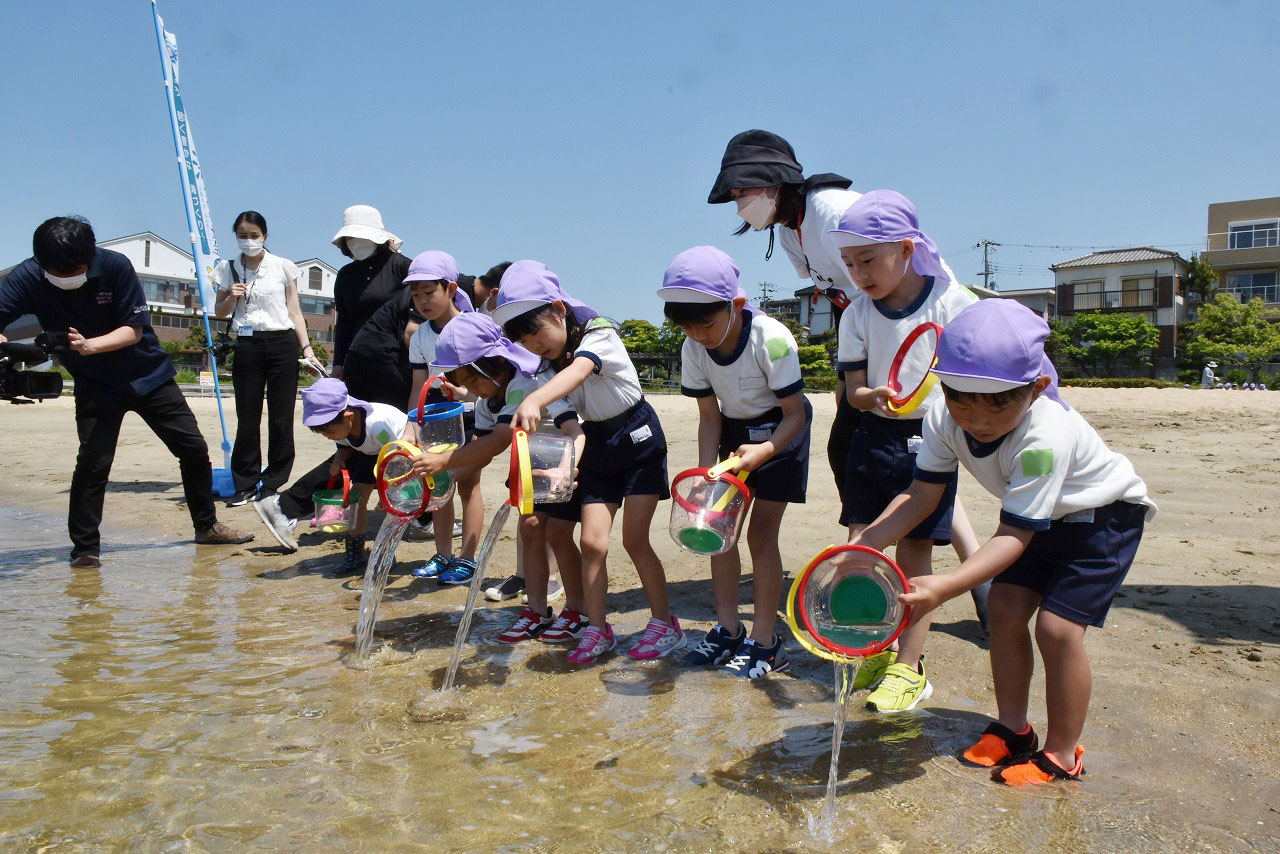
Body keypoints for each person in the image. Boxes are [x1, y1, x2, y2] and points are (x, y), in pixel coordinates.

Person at [848, 299, 1155, 784]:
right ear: (942, 384)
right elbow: (921, 495)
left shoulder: (1045, 435)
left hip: (1103, 520)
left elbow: (1014, 535)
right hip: (1038, 518)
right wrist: (864, 547)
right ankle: (1014, 729)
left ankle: (1061, 752)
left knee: (1057, 630)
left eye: (997, 404)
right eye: (961, 398)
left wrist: (946, 586)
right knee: (1008, 612)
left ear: (1036, 389)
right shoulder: (942, 418)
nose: (977, 418)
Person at [708, 131, 991, 632]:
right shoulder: (792, 231)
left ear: (773, 183)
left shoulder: (831, 212)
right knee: (918, 465)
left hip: (910, 337)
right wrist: (852, 373)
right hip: (866, 336)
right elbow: (848, 298)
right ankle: (971, 576)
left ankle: (908, 565)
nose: (739, 208)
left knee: (901, 459)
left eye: (741, 194)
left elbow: (894, 279)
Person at [0, 216, 253, 566]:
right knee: (92, 465)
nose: (65, 273)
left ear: (89, 256)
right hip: (94, 384)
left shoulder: (115, 266)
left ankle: (206, 527)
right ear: (41, 262)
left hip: (148, 375)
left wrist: (89, 346)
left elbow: (133, 330)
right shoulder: (29, 276)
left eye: (74, 267)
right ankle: (85, 550)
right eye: (55, 268)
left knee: (193, 449)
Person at [830, 190, 979, 712]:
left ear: (908, 250)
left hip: (932, 441)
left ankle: (910, 669)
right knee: (860, 549)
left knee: (916, 556)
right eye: (849, 263)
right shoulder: (856, 315)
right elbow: (852, 391)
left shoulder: (953, 303)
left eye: (868, 259)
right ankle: (875, 644)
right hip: (871, 437)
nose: (858, 273)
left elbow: (974, 376)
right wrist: (872, 395)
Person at [496, 261, 679, 666]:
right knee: (592, 543)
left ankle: (664, 623)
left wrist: (533, 400)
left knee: (634, 540)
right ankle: (597, 627)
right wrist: (567, 462)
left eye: (536, 334)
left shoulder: (600, 335)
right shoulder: (546, 368)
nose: (533, 346)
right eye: (524, 342)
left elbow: (581, 370)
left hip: (639, 441)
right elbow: (573, 429)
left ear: (559, 311)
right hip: (597, 444)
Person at [658, 246, 811, 679]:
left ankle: (766, 641)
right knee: (717, 528)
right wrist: (708, 473)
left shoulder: (772, 338)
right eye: (688, 327)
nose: (699, 334)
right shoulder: (694, 347)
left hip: (783, 431)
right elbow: (710, 416)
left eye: (705, 323)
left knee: (762, 535)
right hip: (733, 432)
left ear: (736, 305)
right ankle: (727, 627)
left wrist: (766, 451)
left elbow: (795, 413)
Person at [409, 313, 587, 642]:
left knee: (559, 535)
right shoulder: (486, 400)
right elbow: (481, 450)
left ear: (495, 365)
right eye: (467, 384)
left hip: (564, 456)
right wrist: (441, 480)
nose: (471, 390)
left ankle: (578, 608)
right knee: (531, 529)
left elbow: (501, 439)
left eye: (474, 381)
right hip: (532, 461)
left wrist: (442, 461)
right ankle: (536, 611)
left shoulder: (522, 382)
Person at [213, 211, 325, 506]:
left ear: (264, 235)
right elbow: (219, 312)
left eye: (254, 235)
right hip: (247, 344)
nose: (248, 241)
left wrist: (307, 350)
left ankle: (274, 480)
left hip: (282, 344)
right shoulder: (227, 268)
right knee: (247, 416)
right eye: (242, 235)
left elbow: (295, 312)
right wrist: (231, 296)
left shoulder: (283, 267)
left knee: (280, 416)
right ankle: (245, 482)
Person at [395, 251, 480, 584]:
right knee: (439, 486)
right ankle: (443, 554)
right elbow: (419, 385)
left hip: (473, 415)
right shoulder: (421, 337)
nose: (423, 301)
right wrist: (411, 424)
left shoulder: (472, 328)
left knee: (469, 486)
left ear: (451, 288)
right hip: (438, 418)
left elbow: (488, 381)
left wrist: (466, 396)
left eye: (429, 292)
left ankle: (468, 559)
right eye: (416, 295)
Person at [300, 378, 418, 575]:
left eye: (328, 431)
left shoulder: (377, 426)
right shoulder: (343, 427)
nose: (328, 436)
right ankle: (355, 553)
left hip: (399, 453)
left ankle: (386, 553)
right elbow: (345, 446)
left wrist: (386, 492)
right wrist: (338, 459)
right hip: (371, 453)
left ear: (349, 414)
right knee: (356, 500)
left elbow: (397, 459)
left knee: (394, 507)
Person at [330, 205, 411, 381]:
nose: (355, 242)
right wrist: (338, 363)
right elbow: (344, 321)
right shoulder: (345, 275)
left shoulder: (402, 267)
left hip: (396, 362)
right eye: (350, 238)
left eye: (360, 236)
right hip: (356, 361)